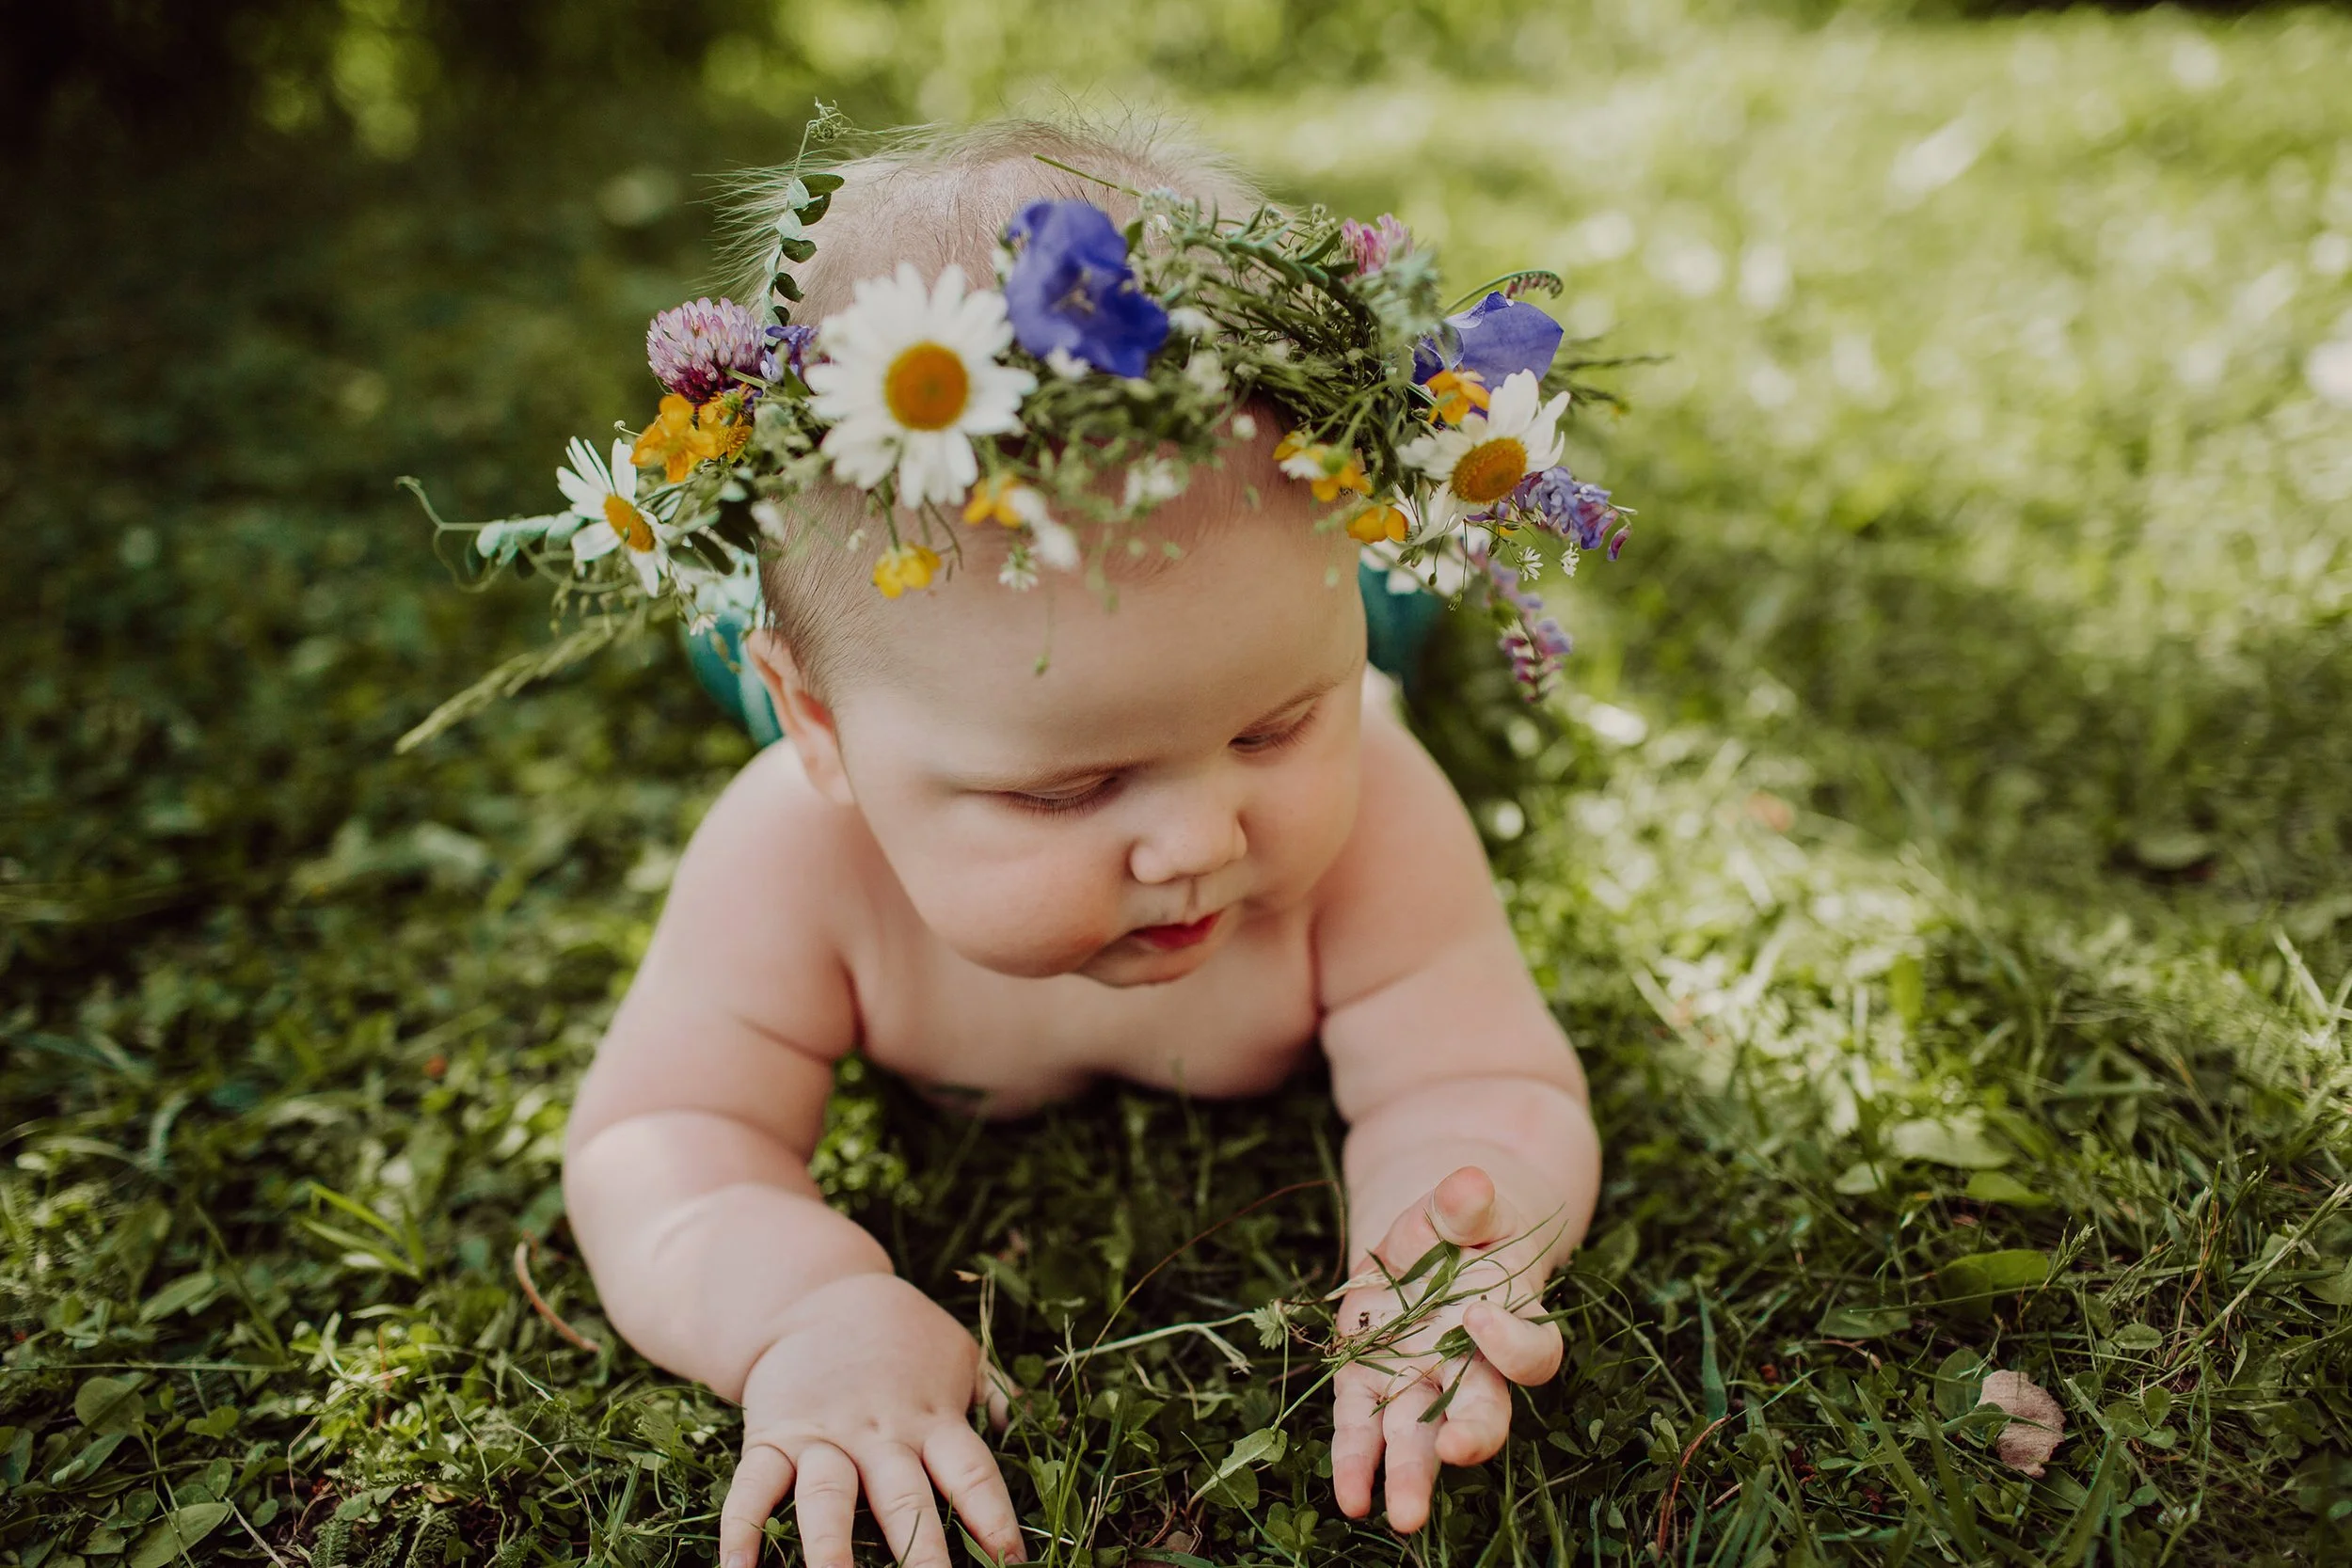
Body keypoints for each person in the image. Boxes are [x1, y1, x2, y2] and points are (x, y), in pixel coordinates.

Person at [547, 119, 1607, 1568]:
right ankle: (769, 639)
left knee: (1393, 612)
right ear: (827, 746)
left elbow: (1477, 1067)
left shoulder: (1377, 800)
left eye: (1273, 731)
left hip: (1332, 606)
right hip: (881, 675)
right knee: (750, 627)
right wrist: (803, 1309)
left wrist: (1454, 1230)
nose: (1196, 838)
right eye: (1066, 790)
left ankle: (1355, 609)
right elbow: (662, 1139)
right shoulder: (797, 858)